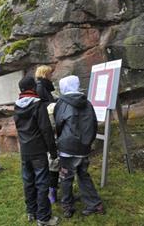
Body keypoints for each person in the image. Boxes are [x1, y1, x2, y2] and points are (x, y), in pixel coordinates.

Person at [54, 75, 105, 218]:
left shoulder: (62, 102)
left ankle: (67, 206)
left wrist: (60, 140)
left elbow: (58, 123)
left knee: (66, 177)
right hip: (84, 146)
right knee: (83, 175)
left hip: (67, 147)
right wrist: (88, 142)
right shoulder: (87, 102)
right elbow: (94, 123)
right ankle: (95, 204)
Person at [14, 76, 59, 226]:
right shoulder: (38, 105)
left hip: (25, 151)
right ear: (32, 88)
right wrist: (53, 151)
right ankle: (44, 218)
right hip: (38, 151)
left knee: (28, 182)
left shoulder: (16, 106)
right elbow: (46, 130)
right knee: (41, 183)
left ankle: (31, 212)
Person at [35, 65, 59, 204]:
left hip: (50, 124)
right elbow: (43, 107)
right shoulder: (40, 88)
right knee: (52, 158)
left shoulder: (44, 87)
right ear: (45, 74)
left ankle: (52, 186)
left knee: (52, 159)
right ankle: (51, 189)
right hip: (48, 126)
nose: (52, 76)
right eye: (50, 73)